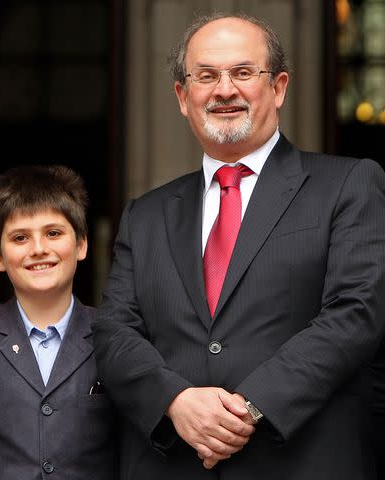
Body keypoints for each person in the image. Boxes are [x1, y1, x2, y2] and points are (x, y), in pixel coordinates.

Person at [92, 11, 385, 480]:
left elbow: (356, 313)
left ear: (279, 87)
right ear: (182, 98)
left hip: (301, 462)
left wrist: (248, 408)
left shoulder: (348, 184)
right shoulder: (145, 214)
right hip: (173, 465)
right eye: (206, 76)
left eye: (244, 72)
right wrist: (175, 399)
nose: (224, 89)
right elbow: (113, 331)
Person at [0, 165, 118, 480]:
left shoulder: (114, 334)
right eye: (20, 238)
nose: (39, 249)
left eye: (53, 233)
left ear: (81, 244)